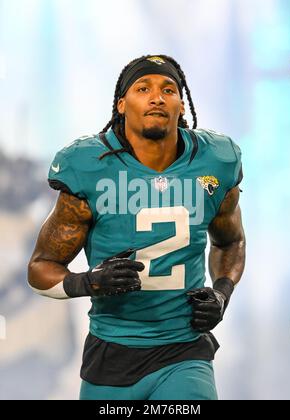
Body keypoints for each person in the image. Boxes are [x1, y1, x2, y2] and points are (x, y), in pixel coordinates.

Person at [28, 54, 246, 400]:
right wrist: (88, 282)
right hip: (111, 352)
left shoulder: (215, 161)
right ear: (122, 105)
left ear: (181, 106)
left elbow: (230, 243)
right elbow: (40, 268)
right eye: (143, 88)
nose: (157, 97)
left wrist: (222, 293)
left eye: (168, 89)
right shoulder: (89, 166)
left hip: (184, 351)